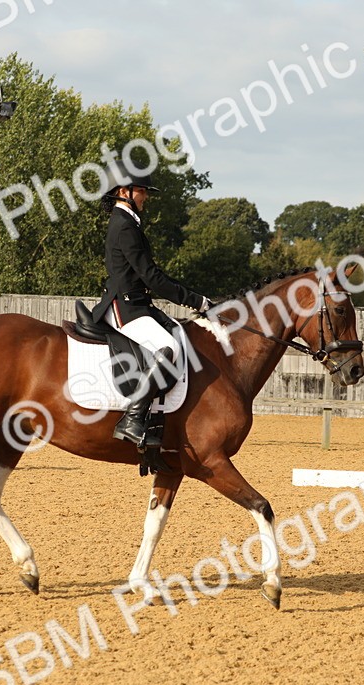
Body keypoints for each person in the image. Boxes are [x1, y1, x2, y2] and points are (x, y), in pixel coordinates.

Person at [89, 163, 212, 461]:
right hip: (125, 306)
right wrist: (197, 301)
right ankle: (132, 418)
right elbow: (151, 277)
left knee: (178, 336)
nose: (145, 197)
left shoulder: (129, 222)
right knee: (167, 348)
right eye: (141, 191)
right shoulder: (124, 226)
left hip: (138, 303)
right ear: (124, 191)